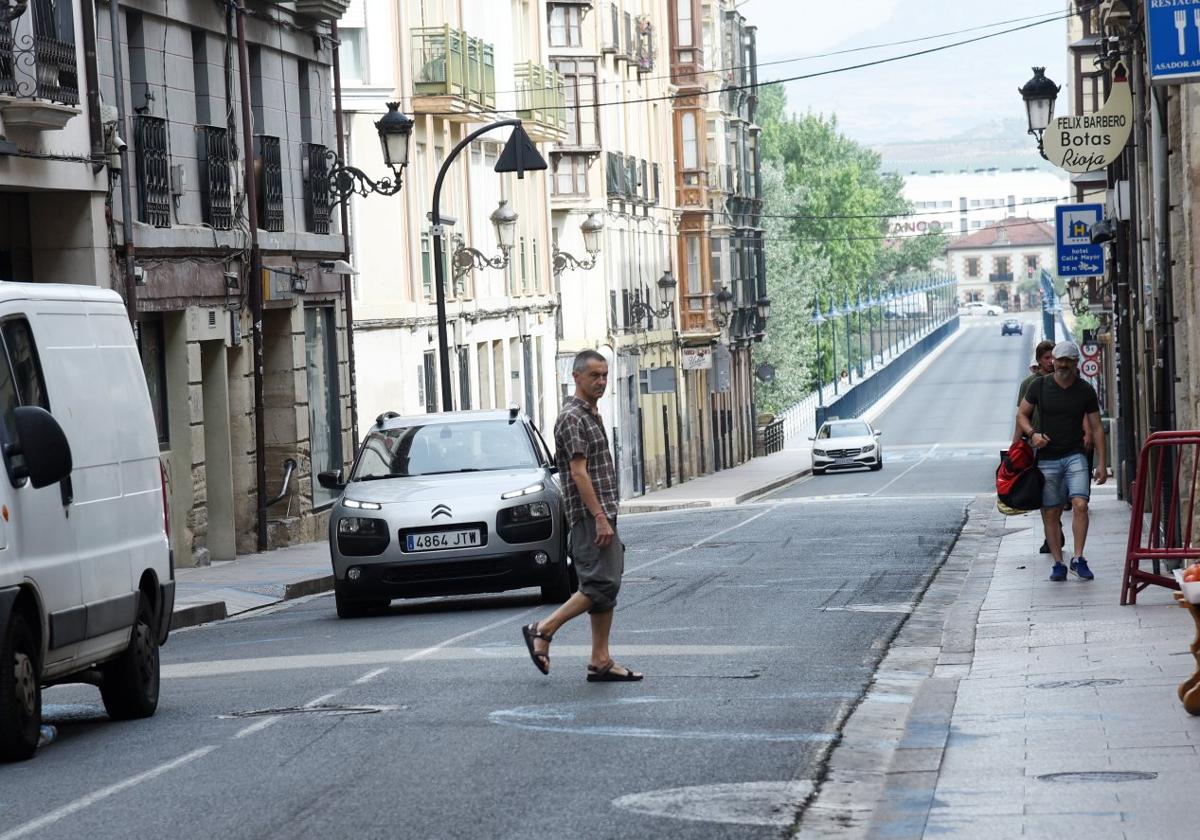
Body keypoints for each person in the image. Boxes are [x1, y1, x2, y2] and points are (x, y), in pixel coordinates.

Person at [521, 349, 643, 682]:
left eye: (605, 375)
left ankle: (600, 660)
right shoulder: (573, 417)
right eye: (594, 376)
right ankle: (542, 630)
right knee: (598, 583)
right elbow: (578, 472)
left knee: (607, 586)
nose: (602, 381)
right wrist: (599, 517)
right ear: (575, 377)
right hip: (590, 516)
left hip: (601, 512)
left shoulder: (590, 413)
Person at [1016, 341, 1107, 581]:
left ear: (1076, 363)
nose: (1062, 364)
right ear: (1053, 361)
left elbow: (1097, 427)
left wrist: (1101, 464)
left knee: (1080, 504)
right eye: (1059, 360)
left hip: (1075, 454)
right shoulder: (1039, 386)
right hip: (1047, 458)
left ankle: (1078, 558)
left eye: (1068, 360)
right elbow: (1021, 414)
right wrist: (1033, 434)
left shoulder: (1084, 391)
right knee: (1051, 512)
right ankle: (1058, 563)